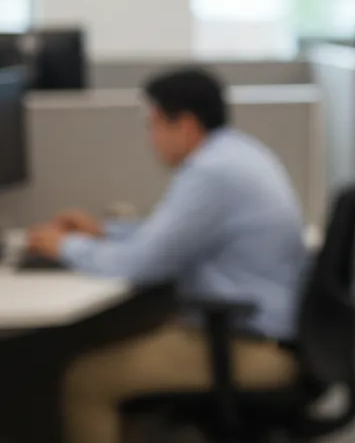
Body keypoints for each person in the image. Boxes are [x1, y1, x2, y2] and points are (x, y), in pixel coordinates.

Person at [24, 67, 307, 443]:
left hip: (249, 346)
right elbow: (175, 235)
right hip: (272, 333)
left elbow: (141, 265)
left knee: (86, 380)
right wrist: (106, 231)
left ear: (185, 125)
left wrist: (64, 246)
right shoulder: (238, 153)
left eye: (153, 125)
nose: (150, 139)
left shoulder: (211, 172)